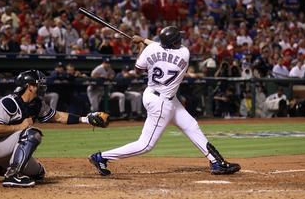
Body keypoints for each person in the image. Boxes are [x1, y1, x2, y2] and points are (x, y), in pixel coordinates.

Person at [88, 26, 240, 176]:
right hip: (161, 103)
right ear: (173, 43)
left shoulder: (150, 50)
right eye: (177, 39)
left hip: (157, 95)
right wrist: (144, 41)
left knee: (191, 126)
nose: (180, 40)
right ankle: (101, 157)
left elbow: (138, 70)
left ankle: (216, 162)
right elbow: (162, 49)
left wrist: (142, 46)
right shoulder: (184, 53)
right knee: (146, 145)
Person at [0, 69, 109, 187]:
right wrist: (20, 127)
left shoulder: (37, 104)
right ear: (29, 86)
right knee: (32, 134)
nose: (41, 86)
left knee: (39, 174)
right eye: (38, 84)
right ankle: (12, 176)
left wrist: (85, 119)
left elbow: (58, 116)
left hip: (9, 146)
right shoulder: (9, 102)